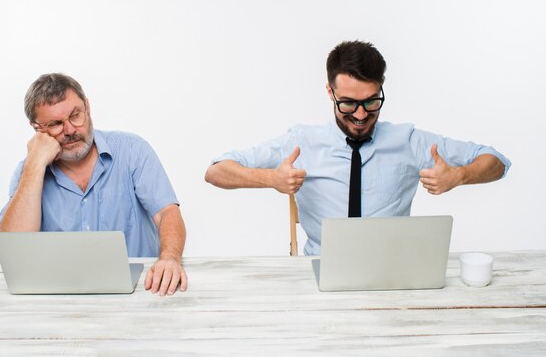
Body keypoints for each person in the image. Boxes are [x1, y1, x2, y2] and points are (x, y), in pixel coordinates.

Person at [205, 40, 511, 255]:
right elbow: (216, 171)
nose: (361, 115)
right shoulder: (301, 141)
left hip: (392, 269)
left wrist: (459, 175)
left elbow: (496, 161)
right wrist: (270, 180)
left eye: (371, 102)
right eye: (349, 103)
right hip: (320, 267)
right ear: (330, 92)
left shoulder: (408, 140)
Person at [0, 73, 187, 296]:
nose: (70, 130)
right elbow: (16, 249)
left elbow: (167, 212)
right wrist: (36, 163)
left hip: (141, 291)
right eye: (56, 124)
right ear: (37, 129)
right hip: (60, 296)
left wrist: (170, 258)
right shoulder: (27, 173)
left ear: (87, 107)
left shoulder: (132, 151)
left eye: (75, 115)